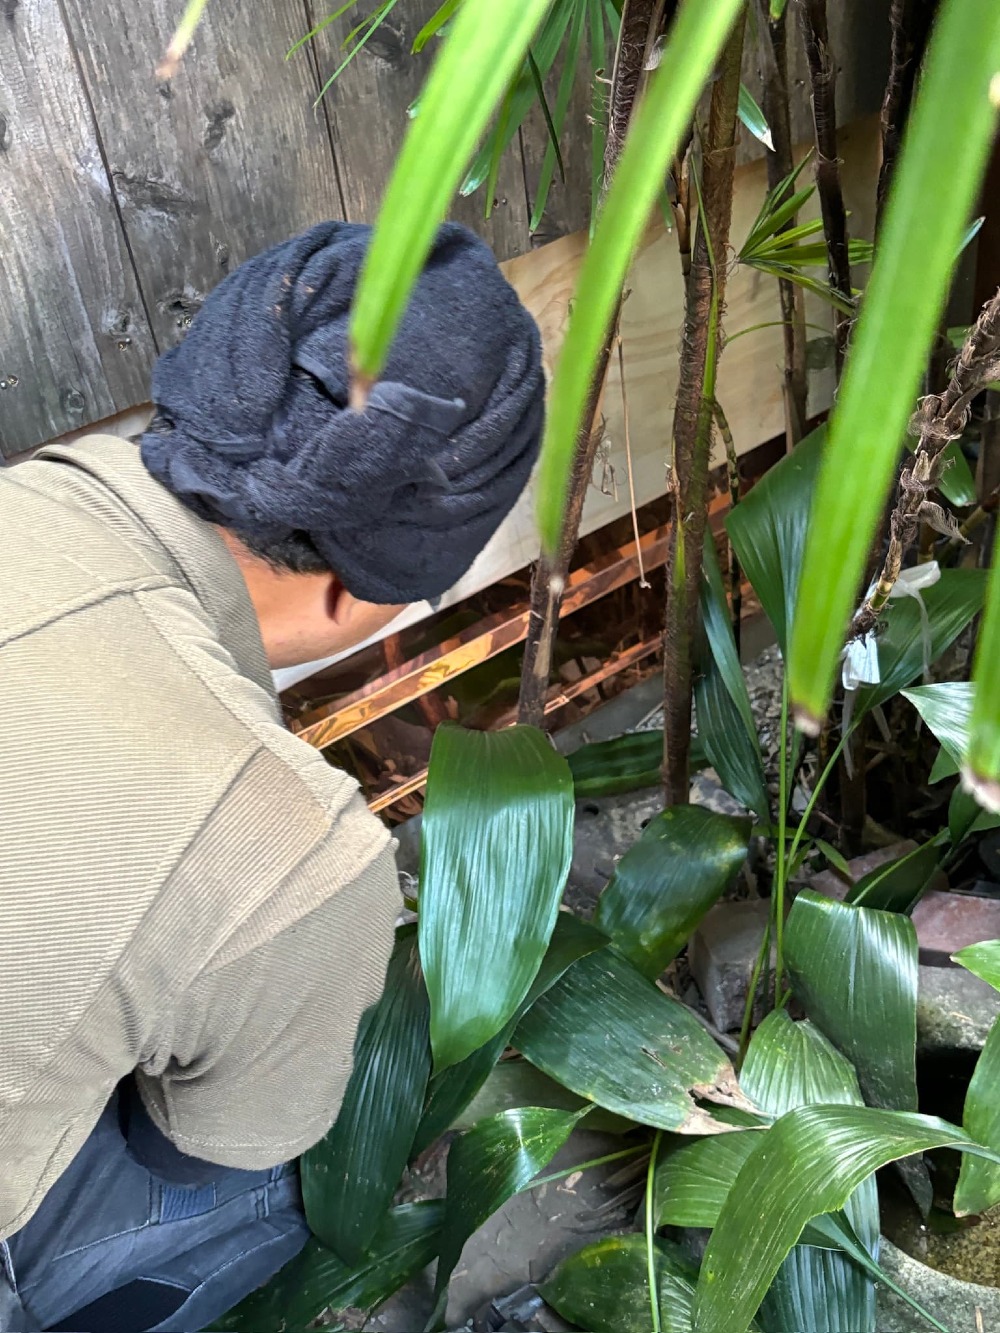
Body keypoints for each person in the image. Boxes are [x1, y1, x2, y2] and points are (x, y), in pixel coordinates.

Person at [0, 220, 545, 1332]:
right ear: (363, 596)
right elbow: (188, 1146)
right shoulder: (290, 843)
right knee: (270, 1192)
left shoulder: (30, 501)